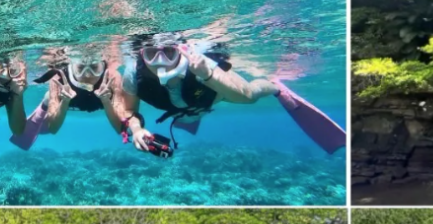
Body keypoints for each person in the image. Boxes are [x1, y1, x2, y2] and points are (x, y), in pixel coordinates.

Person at [117, 32, 345, 155]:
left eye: (168, 52)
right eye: (150, 54)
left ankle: (275, 87)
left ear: (179, 50)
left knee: (251, 93)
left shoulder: (198, 62)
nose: (160, 62)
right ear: (141, 55)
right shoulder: (133, 73)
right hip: (184, 105)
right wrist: (136, 130)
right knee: (189, 110)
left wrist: (206, 74)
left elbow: (242, 98)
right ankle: (190, 116)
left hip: (214, 93)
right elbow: (128, 110)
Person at [11, 49, 125, 150]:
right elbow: (53, 129)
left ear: (103, 65)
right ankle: (44, 105)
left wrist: (106, 101)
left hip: (102, 99)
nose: (88, 75)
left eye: (95, 68)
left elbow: (120, 128)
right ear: (71, 64)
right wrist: (64, 102)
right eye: (80, 68)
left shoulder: (112, 77)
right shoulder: (59, 77)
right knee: (49, 97)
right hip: (67, 99)